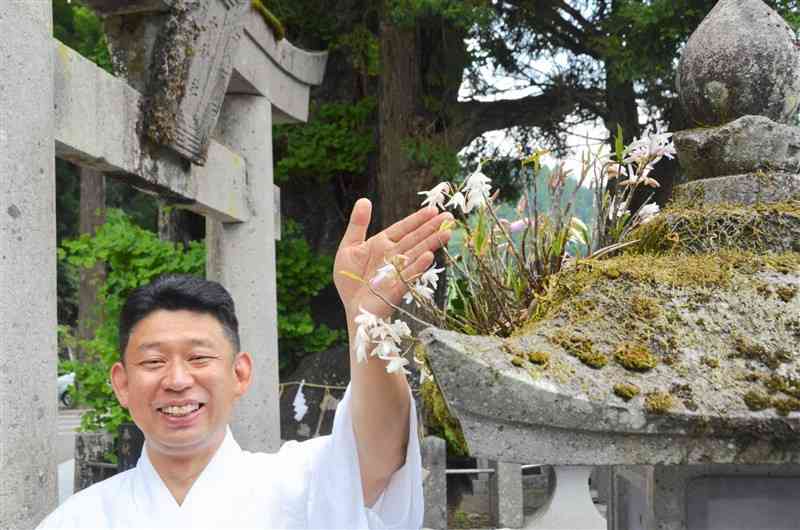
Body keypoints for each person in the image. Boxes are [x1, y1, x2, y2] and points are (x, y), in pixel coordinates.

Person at [38, 199, 453, 529]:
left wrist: (369, 321)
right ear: (122, 383)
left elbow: (378, 453)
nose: (178, 380)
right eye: (154, 361)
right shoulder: (77, 519)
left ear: (240, 373)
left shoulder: (297, 486)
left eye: (199, 357)